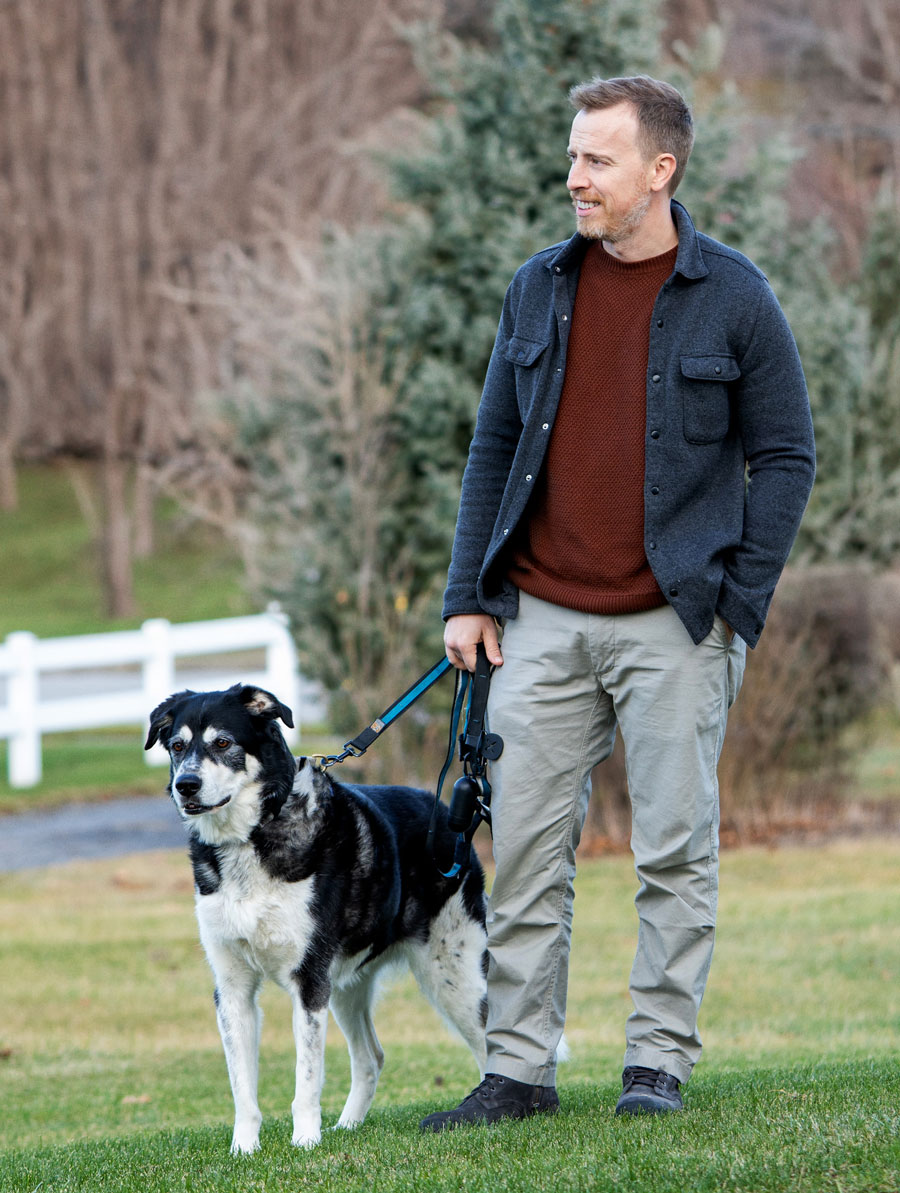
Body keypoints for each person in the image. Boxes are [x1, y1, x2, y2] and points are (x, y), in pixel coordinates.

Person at [420, 74, 815, 1129]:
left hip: (676, 622)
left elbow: (786, 454)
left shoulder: (734, 294)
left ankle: (655, 1064)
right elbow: (493, 444)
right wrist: (470, 593)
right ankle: (517, 1072)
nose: (574, 178)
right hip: (539, 620)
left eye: (596, 160)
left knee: (674, 849)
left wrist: (739, 597)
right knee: (527, 855)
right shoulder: (537, 287)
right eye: (572, 156)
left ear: (660, 170)